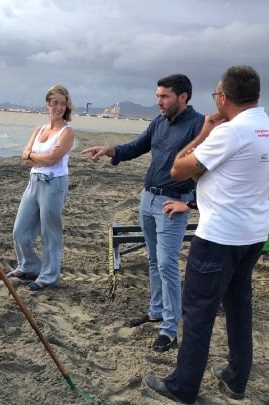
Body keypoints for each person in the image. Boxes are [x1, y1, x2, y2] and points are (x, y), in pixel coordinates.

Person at [143, 65, 269, 404]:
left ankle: (183, 385)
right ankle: (236, 377)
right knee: (238, 304)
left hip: (220, 235)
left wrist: (204, 131)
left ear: (223, 97)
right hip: (252, 231)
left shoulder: (230, 132)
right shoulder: (268, 128)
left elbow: (178, 167)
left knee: (199, 310)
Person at [82, 74, 204, 352]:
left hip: (173, 204)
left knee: (167, 264)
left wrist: (192, 204)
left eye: (164, 96)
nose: (159, 101)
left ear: (183, 96)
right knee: (152, 260)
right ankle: (156, 311)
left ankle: (170, 330)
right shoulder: (159, 122)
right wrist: (110, 149)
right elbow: (137, 146)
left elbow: (211, 169)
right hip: (148, 199)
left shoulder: (199, 126)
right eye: (158, 96)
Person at [7, 85, 75, 292]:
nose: (59, 107)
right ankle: (29, 265)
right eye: (55, 103)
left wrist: (31, 156)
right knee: (20, 230)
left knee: (50, 233)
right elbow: (25, 158)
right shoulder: (39, 130)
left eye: (63, 104)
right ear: (48, 104)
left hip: (54, 184)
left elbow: (52, 158)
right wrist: (34, 158)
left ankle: (48, 276)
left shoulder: (67, 131)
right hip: (34, 181)